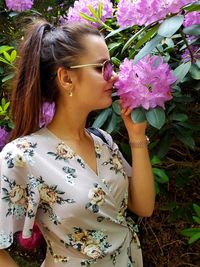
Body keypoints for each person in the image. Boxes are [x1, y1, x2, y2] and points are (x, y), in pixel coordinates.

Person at [0, 19, 155, 267]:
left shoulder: (103, 142)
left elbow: (144, 207)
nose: (113, 75)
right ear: (66, 78)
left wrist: (137, 137)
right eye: (101, 67)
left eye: (111, 65)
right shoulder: (23, 155)